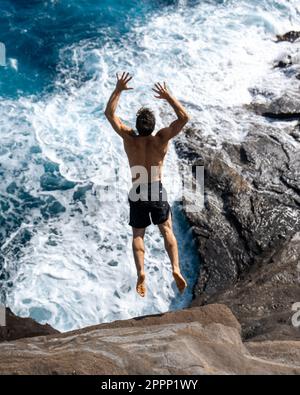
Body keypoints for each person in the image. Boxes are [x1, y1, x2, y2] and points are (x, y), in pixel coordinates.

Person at [105, 71, 190, 297]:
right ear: (152, 126)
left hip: (137, 190)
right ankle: (175, 268)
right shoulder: (161, 138)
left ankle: (141, 272)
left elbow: (109, 114)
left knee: (138, 235)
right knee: (166, 230)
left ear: (137, 125)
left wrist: (118, 89)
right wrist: (168, 97)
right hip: (156, 188)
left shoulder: (129, 138)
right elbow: (184, 118)